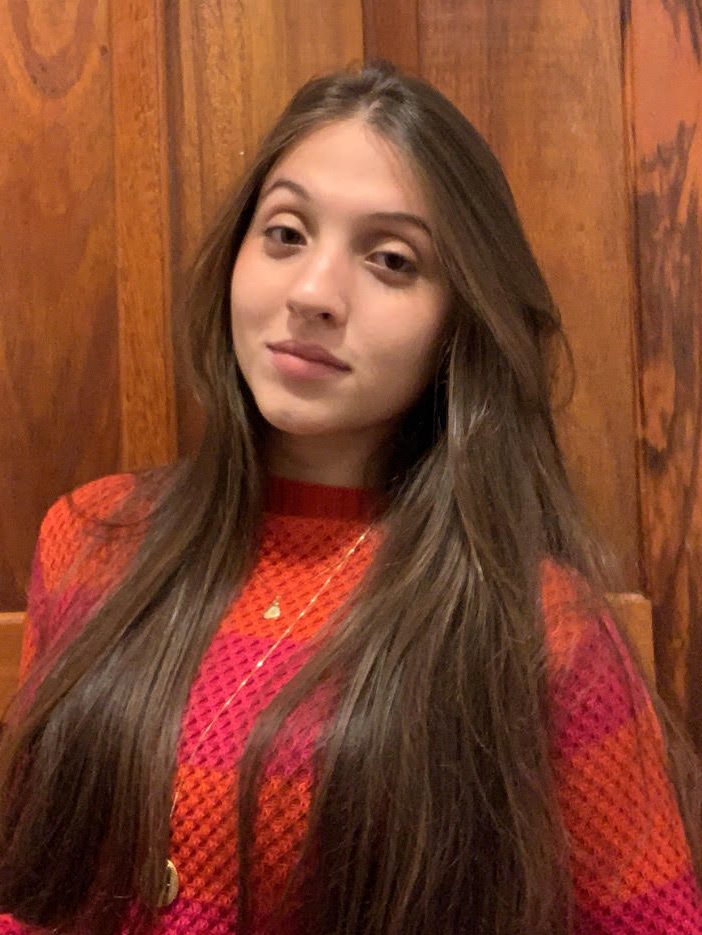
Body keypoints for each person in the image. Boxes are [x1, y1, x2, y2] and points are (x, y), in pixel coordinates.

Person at [0, 60, 700, 935]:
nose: (313, 294)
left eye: (391, 260)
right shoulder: (93, 536)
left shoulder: (534, 629)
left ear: (459, 322)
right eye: (286, 234)